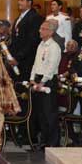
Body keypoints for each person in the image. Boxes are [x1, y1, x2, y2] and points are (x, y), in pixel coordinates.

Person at [30, 20, 62, 149]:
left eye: (43, 29)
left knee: (49, 113)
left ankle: (53, 143)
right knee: (41, 114)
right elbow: (36, 63)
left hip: (48, 80)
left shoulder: (54, 47)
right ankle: (43, 142)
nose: (40, 31)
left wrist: (42, 81)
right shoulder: (41, 45)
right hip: (38, 78)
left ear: (50, 32)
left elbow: (51, 66)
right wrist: (32, 78)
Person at [8, 0, 42, 82]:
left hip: (26, 59)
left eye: (22, 0)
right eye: (18, 0)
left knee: (23, 87)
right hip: (15, 58)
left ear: (29, 2)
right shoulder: (18, 18)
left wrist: (19, 57)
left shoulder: (35, 17)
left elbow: (32, 41)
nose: (19, 2)